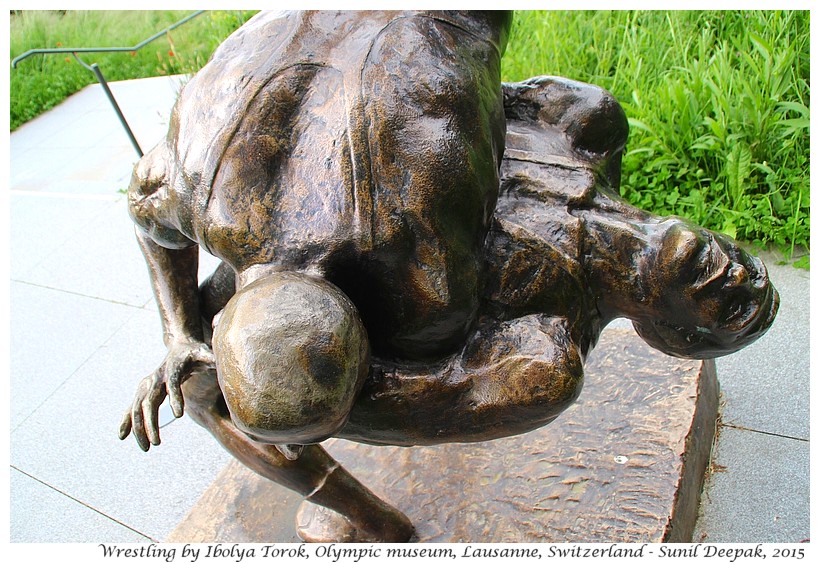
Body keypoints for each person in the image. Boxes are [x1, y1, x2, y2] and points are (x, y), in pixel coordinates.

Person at [119, 11, 778, 541]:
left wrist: (188, 336)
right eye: (739, 287)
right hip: (374, 67)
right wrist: (185, 335)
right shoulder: (586, 128)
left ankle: (363, 510)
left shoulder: (487, 321)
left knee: (217, 386)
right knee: (223, 382)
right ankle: (372, 516)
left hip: (360, 78)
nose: (733, 274)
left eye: (731, 303)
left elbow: (158, 206)